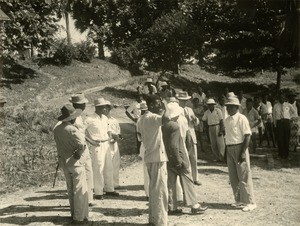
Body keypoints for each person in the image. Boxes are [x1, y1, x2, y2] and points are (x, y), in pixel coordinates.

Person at [162, 102, 207, 215]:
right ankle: (194, 205)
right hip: (179, 156)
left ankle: (172, 207)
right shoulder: (175, 126)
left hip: (168, 157)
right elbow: (174, 145)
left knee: (171, 183)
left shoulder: (164, 126)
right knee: (187, 179)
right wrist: (178, 160)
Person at [136, 95, 169, 226]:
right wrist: (165, 106)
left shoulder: (141, 119)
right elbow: (166, 119)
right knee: (160, 189)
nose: (159, 105)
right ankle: (160, 221)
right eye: (157, 103)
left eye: (160, 103)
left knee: (154, 189)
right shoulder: (152, 117)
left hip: (150, 156)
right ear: (150, 106)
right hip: (157, 157)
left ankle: (154, 219)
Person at [53, 104, 89, 224]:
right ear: (72, 118)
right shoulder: (72, 129)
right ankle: (79, 217)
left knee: (70, 189)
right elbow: (82, 144)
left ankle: (74, 213)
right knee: (79, 189)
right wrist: (78, 153)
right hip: (76, 163)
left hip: (64, 162)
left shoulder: (57, 129)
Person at [224, 97, 256, 212]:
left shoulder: (242, 118)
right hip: (230, 148)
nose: (228, 108)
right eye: (227, 106)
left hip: (240, 147)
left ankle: (250, 201)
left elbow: (247, 136)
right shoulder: (227, 120)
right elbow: (227, 137)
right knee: (233, 177)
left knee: (244, 176)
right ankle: (239, 200)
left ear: (236, 107)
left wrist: (243, 152)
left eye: (231, 106)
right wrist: (225, 153)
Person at [85, 98, 119, 200]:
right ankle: (98, 192)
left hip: (107, 143)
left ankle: (109, 189)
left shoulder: (105, 118)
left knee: (109, 166)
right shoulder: (89, 119)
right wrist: (90, 141)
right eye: (103, 107)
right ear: (98, 107)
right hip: (97, 145)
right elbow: (82, 131)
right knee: (98, 167)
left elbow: (108, 130)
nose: (105, 108)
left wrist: (113, 135)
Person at [69, 93, 95, 206]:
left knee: (89, 172)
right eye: (83, 104)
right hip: (77, 149)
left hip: (84, 146)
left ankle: (89, 198)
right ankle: (81, 201)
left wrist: (90, 141)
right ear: (76, 105)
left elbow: (82, 134)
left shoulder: (79, 116)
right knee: (80, 175)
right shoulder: (72, 117)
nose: (85, 106)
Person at [177, 91, 201, 185]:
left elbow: (196, 122)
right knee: (185, 157)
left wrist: (195, 120)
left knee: (193, 157)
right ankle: (187, 179)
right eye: (183, 100)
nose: (185, 102)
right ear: (179, 100)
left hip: (191, 135)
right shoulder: (177, 110)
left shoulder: (189, 109)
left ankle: (195, 178)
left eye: (186, 100)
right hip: (182, 136)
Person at [273, 93, 297, 159]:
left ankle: (286, 154)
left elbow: (294, 112)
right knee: (280, 139)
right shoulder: (275, 106)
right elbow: (274, 116)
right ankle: (280, 154)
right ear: (278, 98)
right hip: (279, 123)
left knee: (286, 138)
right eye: (280, 97)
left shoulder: (288, 105)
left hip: (286, 122)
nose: (281, 99)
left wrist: (289, 117)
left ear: (285, 98)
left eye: (283, 97)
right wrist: (275, 125)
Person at [106, 102, 121, 189]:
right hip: (106, 143)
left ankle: (115, 183)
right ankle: (107, 184)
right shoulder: (102, 120)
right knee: (107, 164)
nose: (107, 110)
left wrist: (116, 138)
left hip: (114, 143)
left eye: (109, 108)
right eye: (106, 108)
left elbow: (118, 131)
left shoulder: (114, 120)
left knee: (115, 162)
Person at [136, 102, 150, 199]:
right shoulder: (141, 120)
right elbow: (139, 136)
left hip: (145, 145)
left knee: (147, 170)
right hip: (147, 146)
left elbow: (139, 137)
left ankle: (149, 193)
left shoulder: (140, 120)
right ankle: (150, 193)